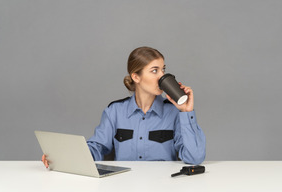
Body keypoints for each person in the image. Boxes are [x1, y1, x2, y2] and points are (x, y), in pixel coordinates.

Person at [42, 46, 206, 168]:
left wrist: (187, 111)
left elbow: (195, 158)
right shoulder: (115, 112)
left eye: (163, 70)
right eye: (154, 71)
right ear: (136, 77)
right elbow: (96, 148)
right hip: (122, 185)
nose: (162, 77)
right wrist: (62, 157)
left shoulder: (174, 113)